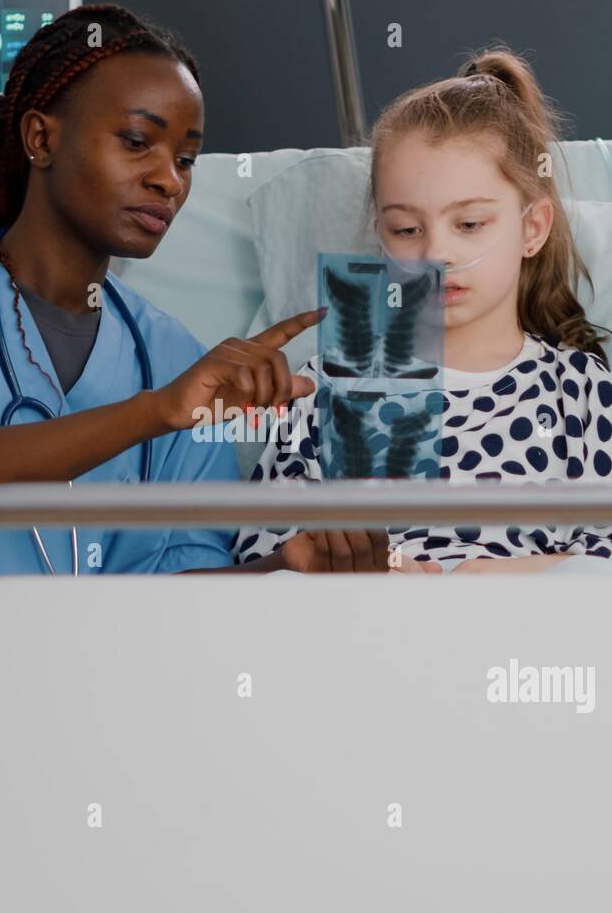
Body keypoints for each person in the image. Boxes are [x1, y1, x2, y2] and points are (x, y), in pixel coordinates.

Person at [0, 3, 386, 730]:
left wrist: (283, 572)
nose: (169, 182)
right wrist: (152, 412)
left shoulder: (171, 355)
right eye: (137, 142)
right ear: (40, 138)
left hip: (97, 739)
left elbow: (171, 595)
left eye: (184, 159)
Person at [234, 46, 612, 574]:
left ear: (532, 228)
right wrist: (360, 570)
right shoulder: (333, 388)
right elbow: (260, 560)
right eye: (407, 230)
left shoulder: (582, 391)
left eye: (470, 224)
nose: (435, 254)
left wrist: (490, 578)